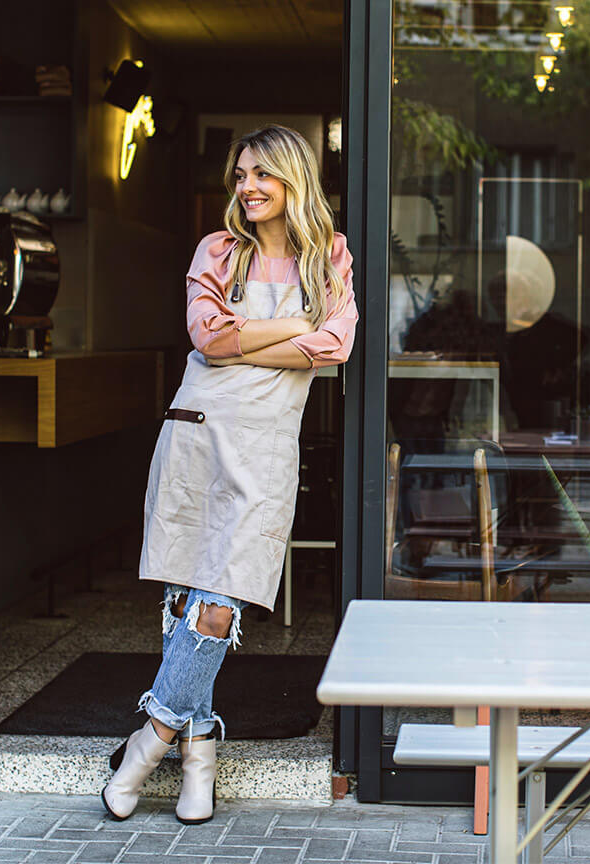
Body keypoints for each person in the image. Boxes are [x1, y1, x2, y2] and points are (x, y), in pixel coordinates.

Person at [101, 124, 357, 824]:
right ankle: (198, 758)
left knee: (221, 605)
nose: (247, 187)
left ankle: (150, 740)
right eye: (241, 174)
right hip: (199, 437)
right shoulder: (218, 250)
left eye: (262, 175)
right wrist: (288, 328)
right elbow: (206, 338)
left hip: (267, 448)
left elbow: (335, 344)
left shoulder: (328, 255)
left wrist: (244, 339)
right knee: (187, 602)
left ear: (293, 181)